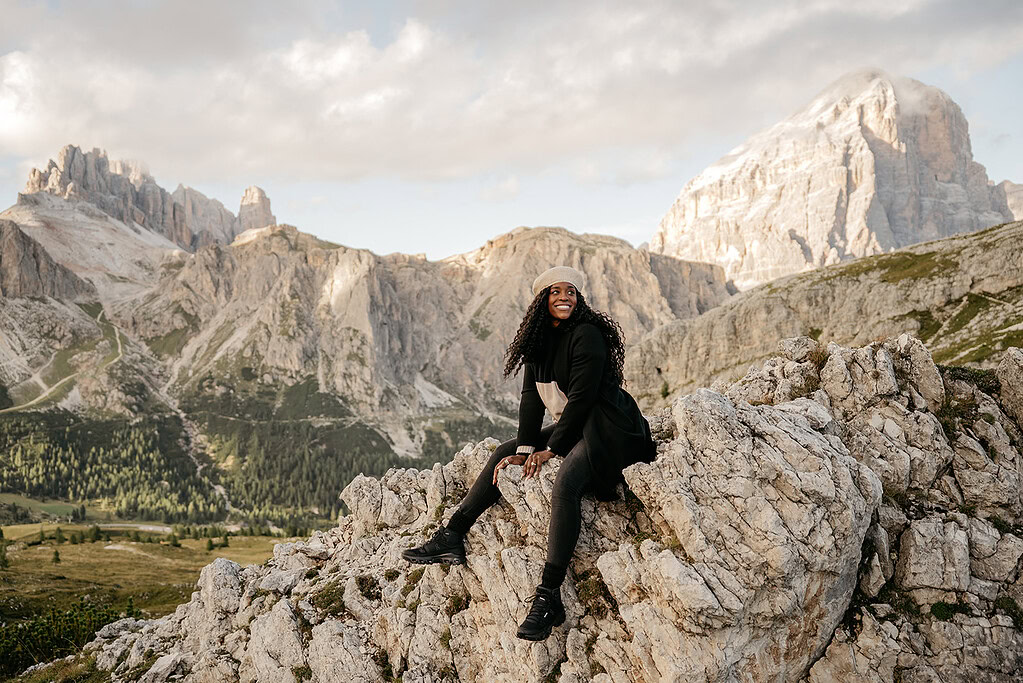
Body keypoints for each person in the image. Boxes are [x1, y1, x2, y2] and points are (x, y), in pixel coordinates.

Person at [402, 266, 656, 641]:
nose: (565, 297)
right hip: (580, 423)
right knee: (505, 450)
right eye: (556, 292)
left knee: (566, 485)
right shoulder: (538, 342)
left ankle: (549, 595)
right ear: (542, 301)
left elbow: (584, 399)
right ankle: (453, 534)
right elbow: (530, 400)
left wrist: (551, 450)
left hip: (611, 427)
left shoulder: (587, 335)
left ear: (579, 298)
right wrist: (524, 450)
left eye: (571, 291)